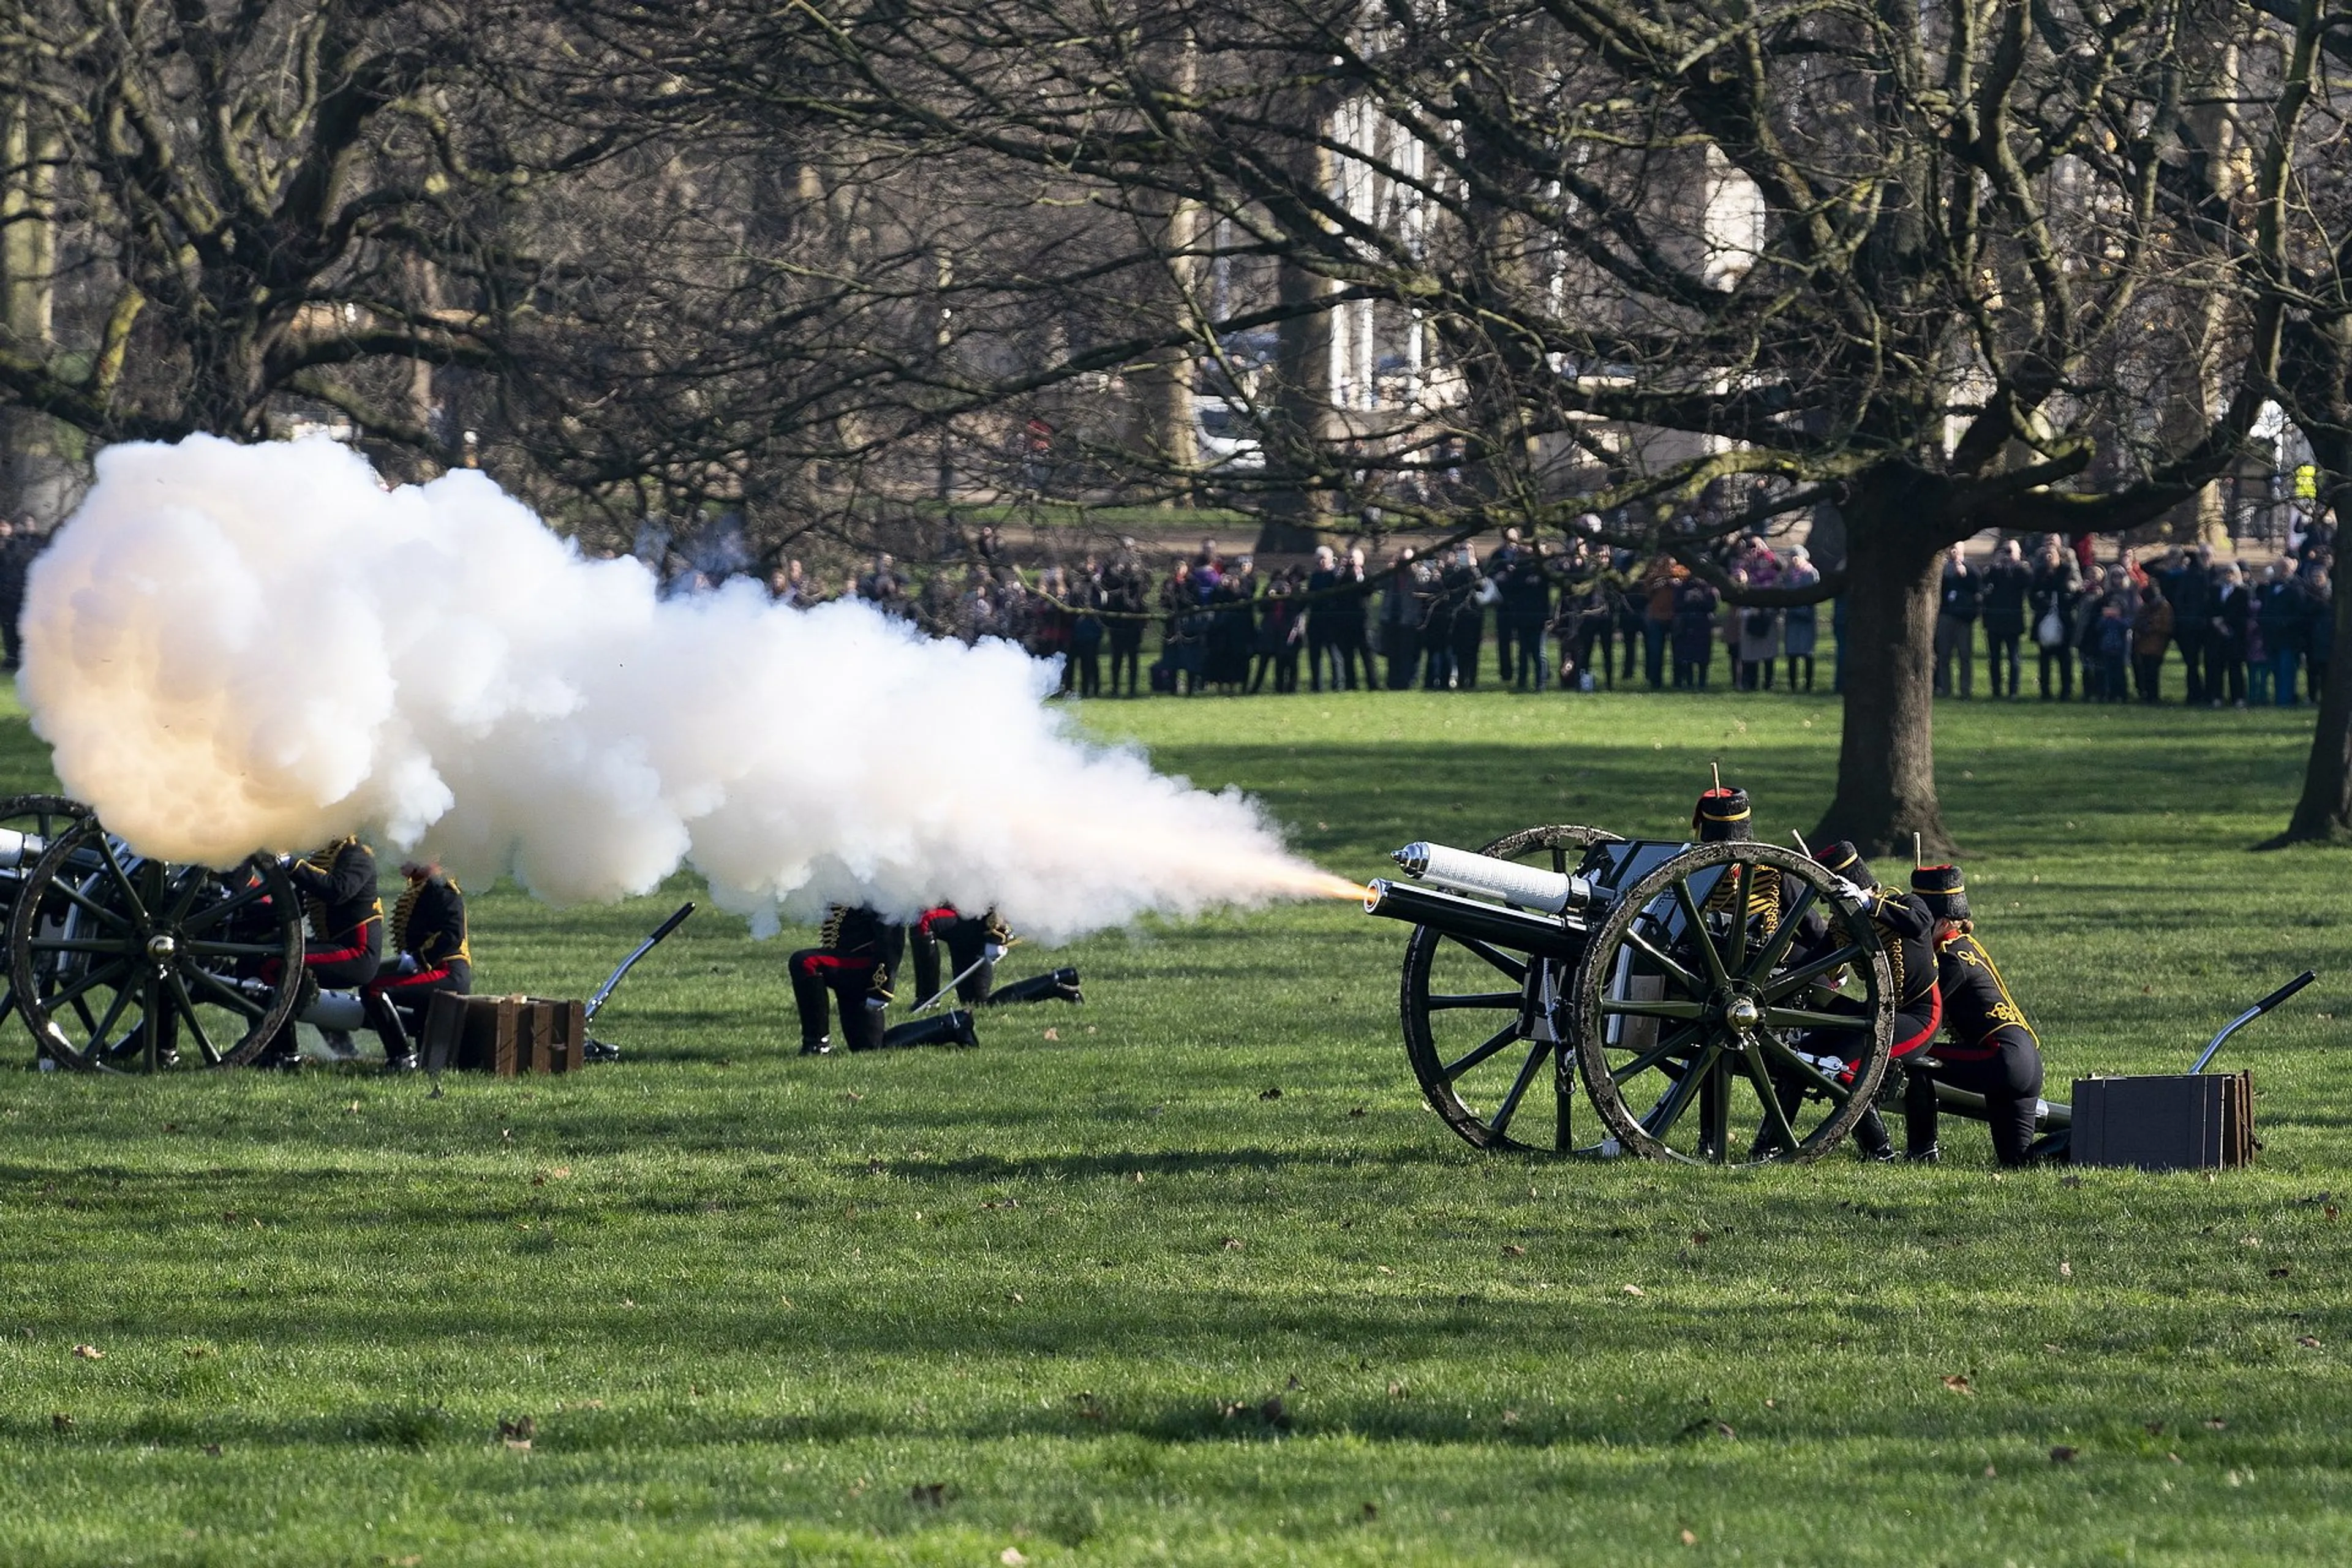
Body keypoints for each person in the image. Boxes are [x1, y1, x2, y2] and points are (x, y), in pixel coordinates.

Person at [1806, 842, 1943, 1161]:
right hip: (1878, 1013)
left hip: (1919, 1017)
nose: (1833, 909)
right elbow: (1812, 964)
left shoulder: (1904, 903)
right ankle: (1768, 1145)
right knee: (1808, 1050)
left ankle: (1879, 1151)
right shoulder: (1843, 925)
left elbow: (1919, 923)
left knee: (1841, 1065)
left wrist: (1867, 903)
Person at [1904, 865, 2045, 1167]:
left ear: (1943, 922)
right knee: (2017, 1161)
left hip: (2000, 1057)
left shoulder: (1950, 959)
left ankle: (1922, 1151)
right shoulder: (1964, 946)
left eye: (1923, 921)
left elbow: (1916, 1012)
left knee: (1915, 1059)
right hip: (2026, 1061)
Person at [254, 834, 387, 1069]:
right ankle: (343, 1051)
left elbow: (338, 890)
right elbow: (296, 905)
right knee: (265, 960)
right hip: (335, 946)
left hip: (357, 953)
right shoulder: (327, 858)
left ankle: (285, 1054)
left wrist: (291, 864)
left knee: (277, 966)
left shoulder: (357, 855)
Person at [791, 905, 974, 1054]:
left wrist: (881, 987)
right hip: (845, 961)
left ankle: (817, 1044)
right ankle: (954, 1023)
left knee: (806, 962)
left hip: (863, 967)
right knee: (869, 1046)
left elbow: (891, 937)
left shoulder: (876, 880)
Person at [361, 860, 471, 1071]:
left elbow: (452, 935)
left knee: (375, 989)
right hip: (431, 968)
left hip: (447, 971)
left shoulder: (442, 889)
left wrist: (420, 960)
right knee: (372, 983)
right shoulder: (423, 889)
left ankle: (402, 1057)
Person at [910, 905, 1082, 1008]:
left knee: (923, 920)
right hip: (962, 919)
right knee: (978, 1005)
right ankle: (1056, 982)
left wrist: (997, 935)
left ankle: (928, 999)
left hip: (976, 920)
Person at [2028, 537, 2082, 699]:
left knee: (2065, 658)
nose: (2049, 558)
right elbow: (2032, 595)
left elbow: (2068, 591)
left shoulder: (2066, 571)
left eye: (2052, 555)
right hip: (2044, 620)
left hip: (2064, 620)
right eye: (2047, 555)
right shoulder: (2039, 573)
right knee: (2045, 658)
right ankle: (2045, 691)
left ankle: (2066, 691)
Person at [1980, 539, 2030, 698]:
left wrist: (2018, 564)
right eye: (2004, 551)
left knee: (2014, 658)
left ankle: (2013, 692)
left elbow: (2029, 582)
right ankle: (1996, 691)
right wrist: (1995, 563)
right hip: (1994, 621)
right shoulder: (1994, 570)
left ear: (2019, 553)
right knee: (1994, 658)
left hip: (2013, 621)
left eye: (2010, 551)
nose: (2007, 555)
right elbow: (1984, 585)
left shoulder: (2022, 571)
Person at [1101, 542, 1149, 696]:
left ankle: (1132, 689)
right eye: (1124, 548)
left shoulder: (1140, 567)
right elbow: (1107, 585)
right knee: (1117, 657)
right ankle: (1115, 688)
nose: (1127, 551)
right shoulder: (1112, 566)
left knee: (1133, 657)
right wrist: (1116, 572)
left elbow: (1145, 586)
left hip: (1134, 621)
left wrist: (1135, 573)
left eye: (1130, 548)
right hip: (1117, 621)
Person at [1934, 543, 1979, 697]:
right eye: (1951, 548)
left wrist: (1965, 576)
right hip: (1946, 616)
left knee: (1965, 655)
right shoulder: (1943, 570)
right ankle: (1945, 689)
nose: (1953, 551)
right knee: (1944, 655)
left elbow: (1977, 588)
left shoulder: (1971, 569)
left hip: (1964, 618)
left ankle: (1965, 690)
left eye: (1956, 548)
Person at [1378, 549, 1427, 690]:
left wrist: (1414, 570)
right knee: (1392, 653)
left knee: (1408, 654)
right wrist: (1388, 571)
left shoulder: (1419, 573)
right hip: (1391, 618)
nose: (1404, 564)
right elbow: (1377, 584)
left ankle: (1407, 682)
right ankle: (1392, 682)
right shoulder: (1392, 575)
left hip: (1409, 620)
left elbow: (1425, 584)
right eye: (1402, 561)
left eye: (1407, 561)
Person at [2210, 560, 2250, 707]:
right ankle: (2217, 697)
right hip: (2217, 634)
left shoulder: (2243, 591)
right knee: (2217, 667)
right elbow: (2211, 608)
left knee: (2235, 667)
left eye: (2231, 573)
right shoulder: (2215, 590)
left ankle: (2238, 698)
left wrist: (2225, 622)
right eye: (2225, 572)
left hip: (2235, 634)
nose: (2228, 575)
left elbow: (2242, 612)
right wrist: (2217, 622)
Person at [1781, 547, 1819, 691]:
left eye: (1796, 556)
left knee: (1807, 652)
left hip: (1806, 618)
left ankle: (1808, 685)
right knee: (1792, 653)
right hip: (1792, 617)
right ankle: (1793, 686)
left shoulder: (1811, 573)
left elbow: (1814, 593)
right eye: (1791, 556)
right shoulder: (1788, 575)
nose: (1794, 559)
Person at [1671, 574, 1719, 688]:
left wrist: (1701, 599)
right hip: (1686, 624)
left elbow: (1712, 606)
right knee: (1688, 655)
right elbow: (1677, 605)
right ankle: (1689, 682)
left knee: (1703, 656)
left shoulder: (1707, 588)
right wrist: (1687, 599)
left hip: (1703, 624)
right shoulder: (1683, 588)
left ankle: (1702, 682)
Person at [2130, 583, 2172, 703]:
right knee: (2144, 671)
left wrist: (2149, 627)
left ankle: (2153, 696)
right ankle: (2146, 694)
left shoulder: (2164, 607)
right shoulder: (2145, 607)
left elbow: (2166, 626)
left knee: (2153, 671)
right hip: (2143, 644)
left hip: (2156, 644)